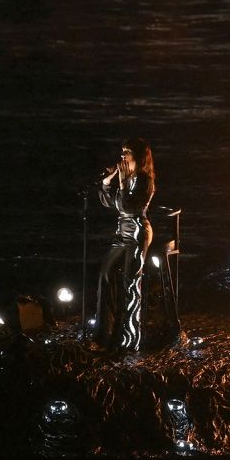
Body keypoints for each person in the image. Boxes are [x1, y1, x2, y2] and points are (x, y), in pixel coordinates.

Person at [93, 138, 155, 353]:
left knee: (130, 283)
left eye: (127, 152)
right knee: (105, 275)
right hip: (121, 233)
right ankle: (104, 334)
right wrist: (107, 181)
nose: (122, 156)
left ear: (137, 156)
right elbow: (108, 202)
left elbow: (128, 206)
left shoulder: (145, 180)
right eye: (122, 151)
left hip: (138, 232)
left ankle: (129, 340)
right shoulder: (126, 177)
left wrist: (120, 182)